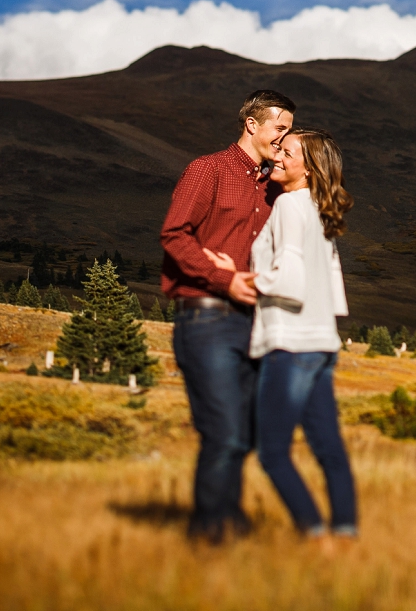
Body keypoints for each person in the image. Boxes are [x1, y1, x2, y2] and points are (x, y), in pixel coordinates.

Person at [159, 88, 295, 542]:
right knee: (224, 431)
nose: (284, 138)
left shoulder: (274, 189)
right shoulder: (208, 170)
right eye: (280, 128)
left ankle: (229, 527)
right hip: (208, 319)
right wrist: (224, 280)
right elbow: (175, 236)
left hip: (254, 323)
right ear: (252, 124)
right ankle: (210, 536)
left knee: (247, 433)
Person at [210, 128, 358, 539]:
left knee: (273, 453)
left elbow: (289, 278)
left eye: (287, 152)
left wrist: (234, 276)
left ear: (308, 169)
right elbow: (332, 290)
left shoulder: (291, 206)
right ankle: (345, 535)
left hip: (290, 347)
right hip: (321, 344)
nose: (277, 155)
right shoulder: (318, 210)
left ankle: (313, 534)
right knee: (329, 450)